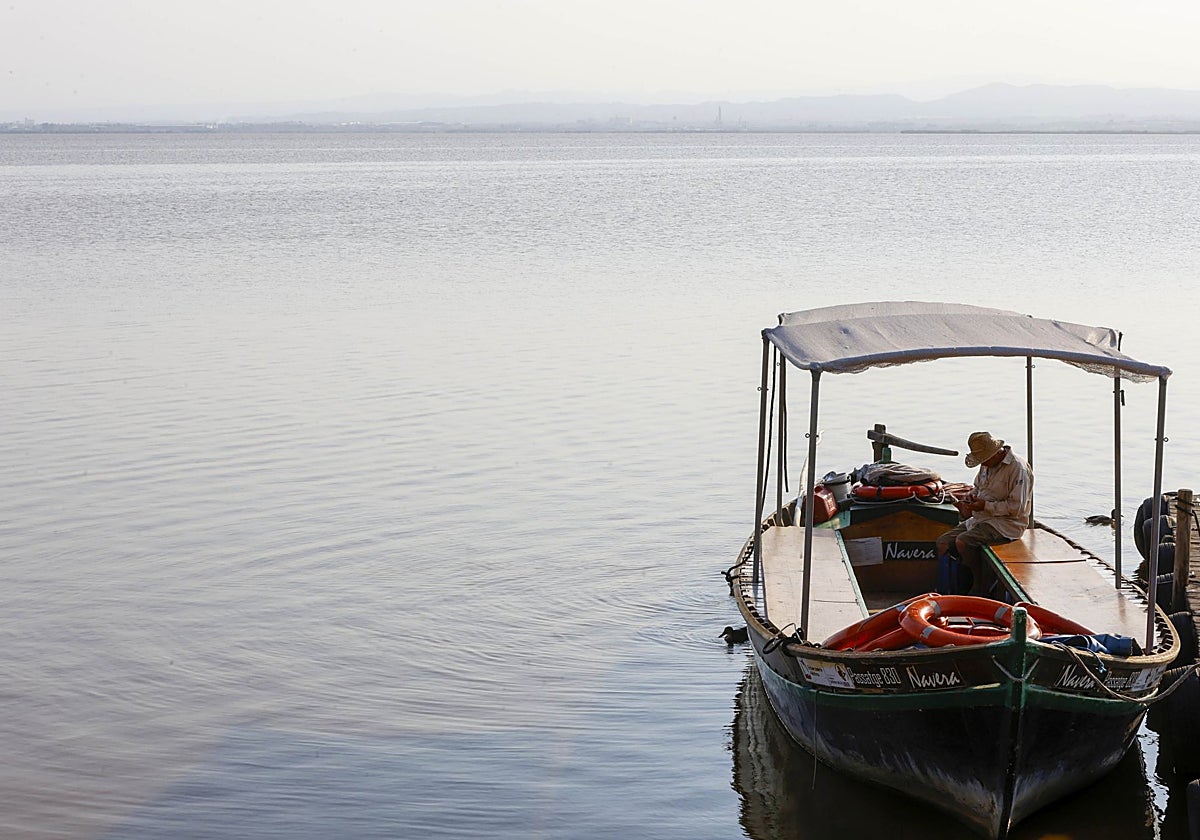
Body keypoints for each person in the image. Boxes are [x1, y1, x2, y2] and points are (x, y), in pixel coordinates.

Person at [935, 431, 1033, 595]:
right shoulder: (986, 465)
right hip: (980, 519)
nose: (983, 464)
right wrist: (971, 497)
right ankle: (952, 585)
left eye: (984, 460)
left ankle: (980, 585)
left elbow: (1017, 508)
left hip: (1006, 525)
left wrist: (986, 506)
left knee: (963, 542)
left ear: (995, 453)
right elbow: (978, 487)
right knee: (943, 543)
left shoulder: (1018, 469)